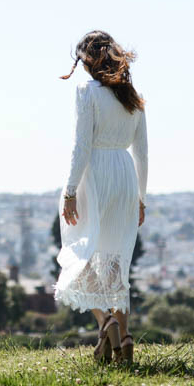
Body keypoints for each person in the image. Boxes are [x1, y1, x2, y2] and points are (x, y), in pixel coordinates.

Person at [53, 30, 148, 364]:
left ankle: (105, 322)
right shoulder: (132, 97)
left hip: (95, 175)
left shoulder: (87, 92)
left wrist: (69, 192)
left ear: (88, 61)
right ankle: (123, 340)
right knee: (116, 263)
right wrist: (141, 197)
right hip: (125, 175)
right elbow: (143, 153)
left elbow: (81, 146)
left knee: (79, 253)